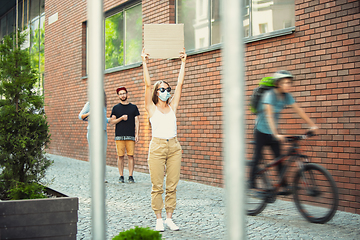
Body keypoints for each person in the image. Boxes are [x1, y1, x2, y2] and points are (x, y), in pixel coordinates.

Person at [249, 70, 318, 194]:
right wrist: (275, 133)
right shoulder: (269, 95)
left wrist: (312, 125)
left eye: (290, 83)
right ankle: (250, 183)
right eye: (286, 83)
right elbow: (269, 115)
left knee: (279, 158)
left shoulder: (287, 96)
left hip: (274, 131)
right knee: (257, 156)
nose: (289, 85)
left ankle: (283, 185)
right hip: (261, 131)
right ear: (278, 83)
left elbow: (299, 111)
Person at [141, 47, 186, 232]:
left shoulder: (173, 105)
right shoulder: (151, 108)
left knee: (172, 185)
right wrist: (144, 61)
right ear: (157, 92)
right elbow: (147, 84)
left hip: (174, 146)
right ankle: (158, 218)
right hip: (157, 147)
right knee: (157, 185)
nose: (166, 91)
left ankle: (169, 218)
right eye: (163, 89)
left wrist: (183, 62)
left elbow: (180, 84)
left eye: (168, 89)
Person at [109, 86, 140, 183]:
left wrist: (137, 134)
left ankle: (131, 176)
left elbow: (137, 121)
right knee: (120, 156)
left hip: (130, 135)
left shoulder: (133, 107)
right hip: (119, 136)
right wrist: (121, 118)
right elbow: (112, 121)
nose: (123, 95)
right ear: (118, 96)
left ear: (127, 94)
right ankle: (121, 176)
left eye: (124, 93)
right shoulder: (116, 108)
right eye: (120, 94)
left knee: (131, 156)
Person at [78, 92, 110, 182]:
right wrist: (89, 113)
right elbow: (80, 116)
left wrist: (111, 120)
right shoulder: (90, 104)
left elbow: (103, 119)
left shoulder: (104, 106)